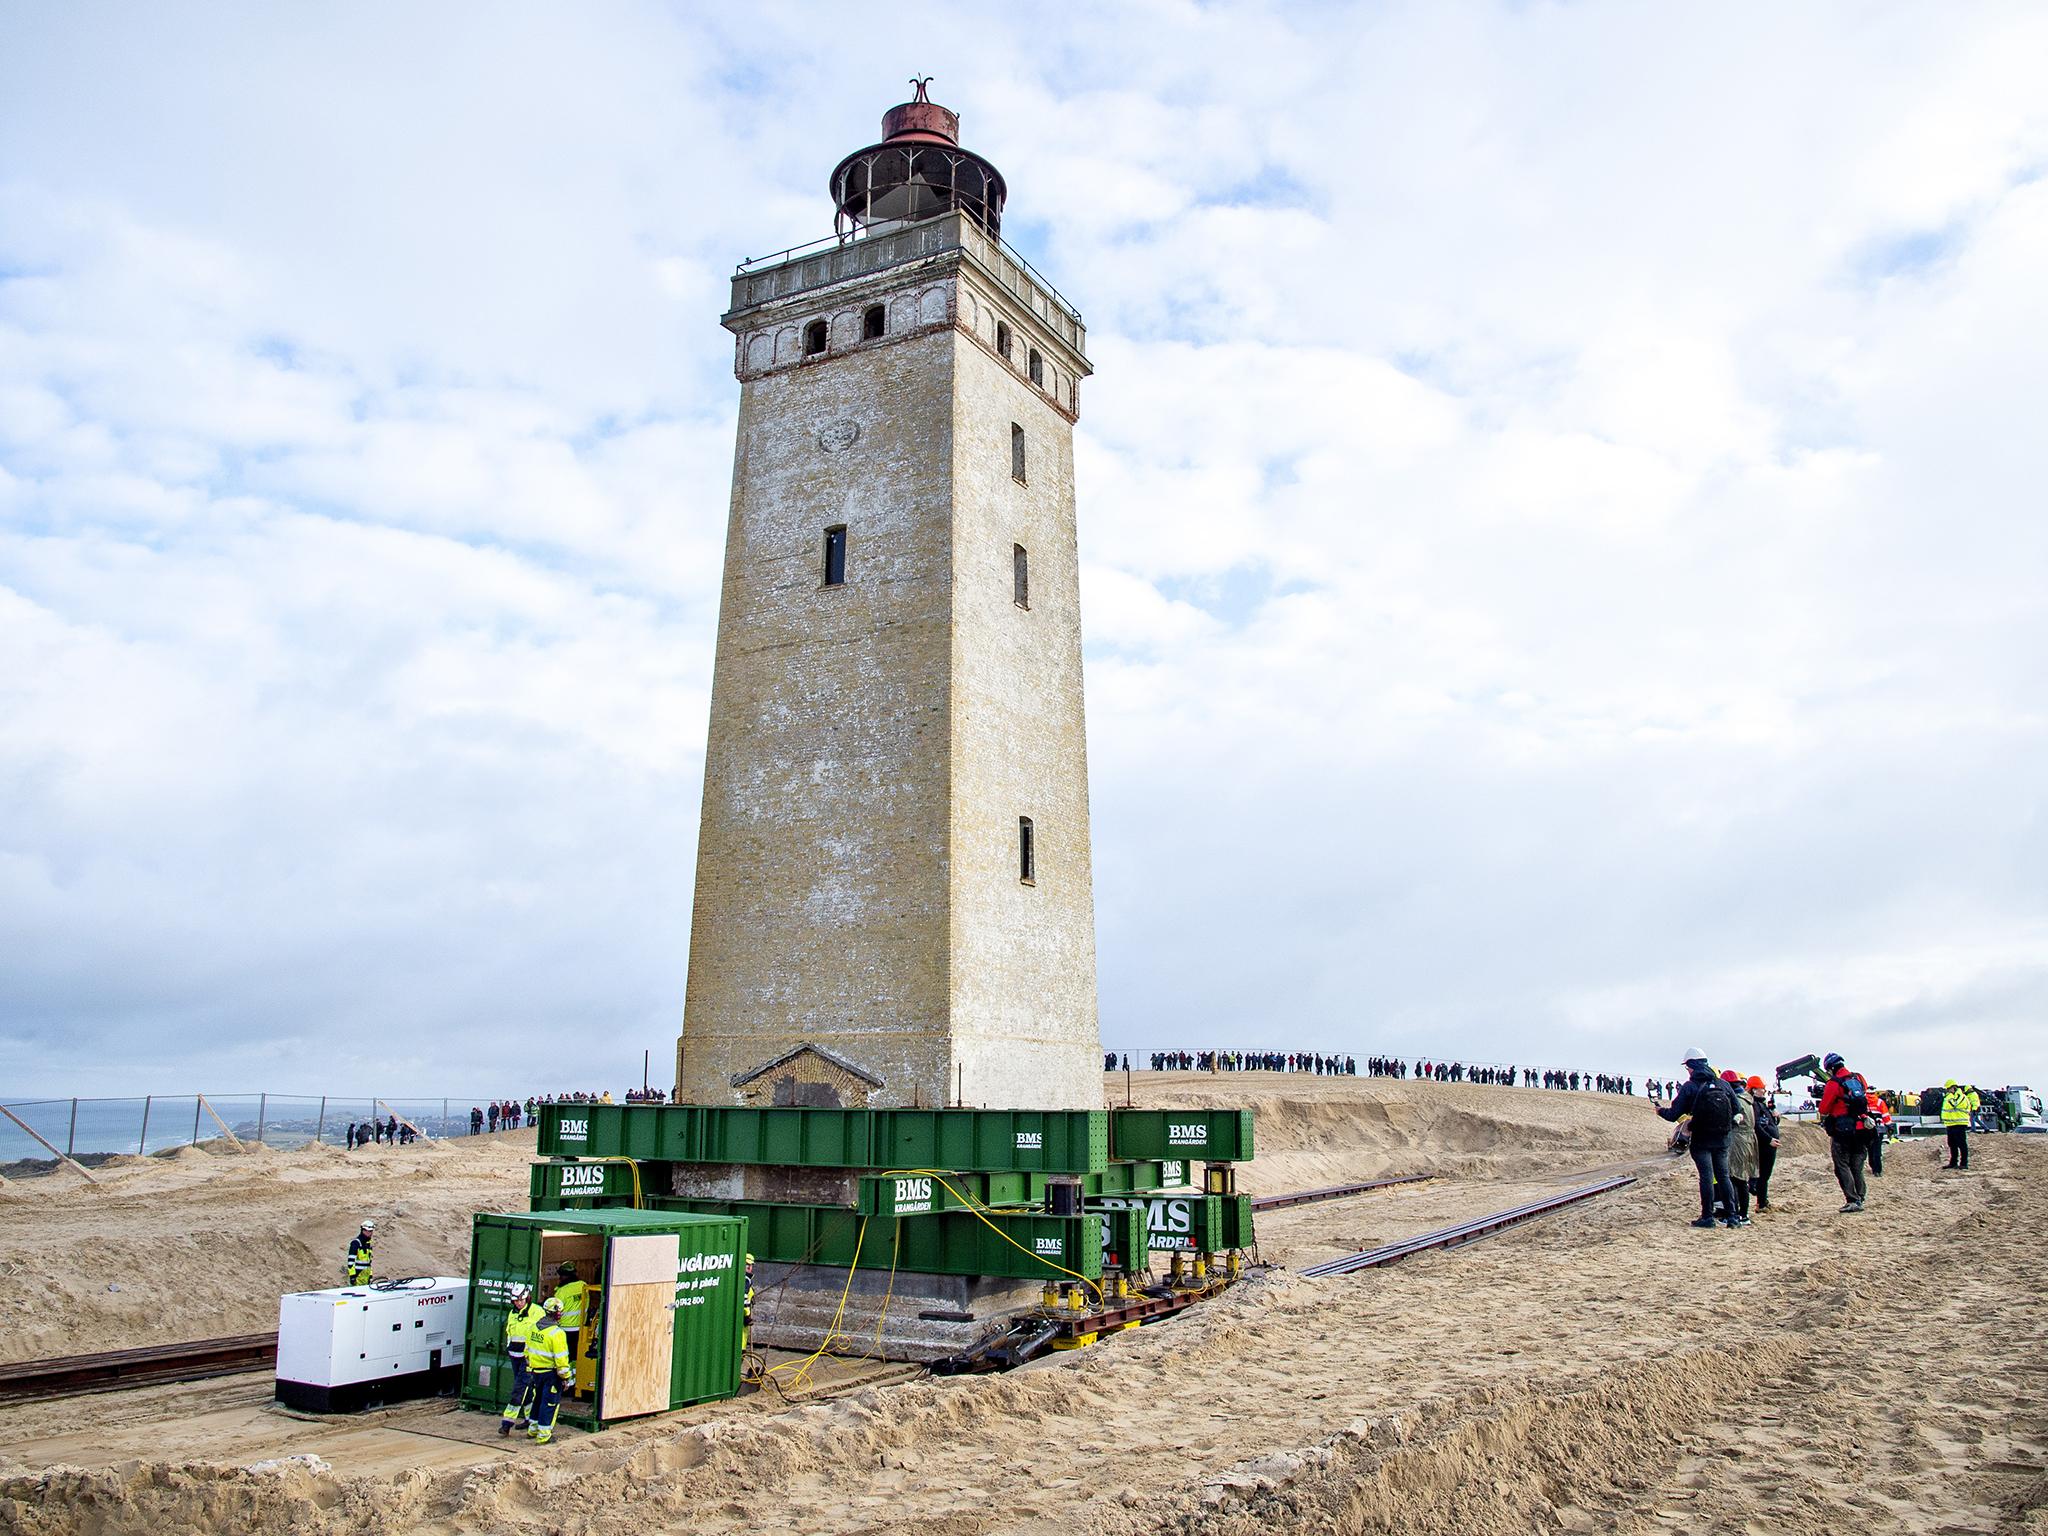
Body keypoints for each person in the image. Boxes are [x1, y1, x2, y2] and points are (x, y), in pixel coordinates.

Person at [1657, 1050, 1739, 1229]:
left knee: (1706, 1177)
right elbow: (1737, 1108)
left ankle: (1707, 1217)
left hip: (1701, 1139)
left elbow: (1673, 1115)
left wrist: (1660, 1111)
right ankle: (1733, 1217)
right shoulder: (1722, 1084)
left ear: (1691, 1066)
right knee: (1724, 1176)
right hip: (1723, 1138)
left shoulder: (1690, 1086)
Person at [1816, 1051, 1873, 1212]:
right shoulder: (1858, 1078)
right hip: (1861, 1129)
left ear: (1831, 1068)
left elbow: (1824, 1108)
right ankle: (1860, 1196)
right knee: (1857, 1165)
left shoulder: (1834, 1083)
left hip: (1842, 1130)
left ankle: (1852, 1199)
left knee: (1842, 1165)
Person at [523, 1297, 572, 1444]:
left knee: (537, 1400)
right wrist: (565, 1377)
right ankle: (544, 1435)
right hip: (551, 1374)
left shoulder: (532, 1328)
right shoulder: (557, 1333)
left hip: (535, 1372)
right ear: (557, 1314)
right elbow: (561, 1360)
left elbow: (527, 1352)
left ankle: (532, 1429)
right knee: (549, 1403)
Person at [498, 1285, 544, 1437]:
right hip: (514, 1355)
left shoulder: (537, 1312)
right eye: (515, 1301)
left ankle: (507, 1423)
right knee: (528, 1388)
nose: (518, 1303)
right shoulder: (513, 1313)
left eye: (520, 1300)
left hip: (528, 1358)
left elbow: (541, 1335)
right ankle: (530, 1419)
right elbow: (510, 1333)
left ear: (527, 1297)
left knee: (519, 1388)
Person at [1719, 1070, 1756, 1225]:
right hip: (1748, 1141)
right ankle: (1743, 1214)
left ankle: (1737, 1214)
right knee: (1742, 1179)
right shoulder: (1748, 1100)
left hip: (1737, 1140)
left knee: (1734, 1178)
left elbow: (1729, 1121)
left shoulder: (1737, 1101)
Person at [1746, 1076, 1781, 1212]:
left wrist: (1775, 1115)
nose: (1765, 1091)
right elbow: (1756, 1126)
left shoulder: (1762, 1104)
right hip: (1763, 1145)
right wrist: (1769, 1140)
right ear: (1754, 1090)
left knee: (1765, 1175)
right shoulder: (1754, 1105)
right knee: (1762, 1174)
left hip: (1769, 1143)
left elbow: (1769, 1123)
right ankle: (1761, 1202)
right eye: (1762, 1089)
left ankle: (1762, 1201)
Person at [551, 1261, 589, 1384]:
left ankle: (566, 1383)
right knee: (576, 1358)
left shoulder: (562, 1292)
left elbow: (554, 1311)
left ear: (563, 1276)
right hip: (581, 1329)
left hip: (565, 1330)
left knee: (564, 1358)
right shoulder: (583, 1285)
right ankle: (576, 1382)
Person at [1941, 1079, 1979, 1170]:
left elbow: (1954, 1104)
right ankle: (1953, 1162)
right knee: (1952, 1144)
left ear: (1953, 1088)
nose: (1947, 1091)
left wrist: (1949, 1096)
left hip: (1959, 1123)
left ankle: (1964, 1163)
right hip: (1951, 1123)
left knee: (1961, 1144)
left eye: (1948, 1089)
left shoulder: (1961, 1097)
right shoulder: (1949, 1096)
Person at [345, 1220, 375, 1284]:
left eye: (371, 1231)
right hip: (357, 1277)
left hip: (366, 1278)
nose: (371, 1233)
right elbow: (350, 1262)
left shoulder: (368, 1244)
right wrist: (352, 1276)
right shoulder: (356, 1243)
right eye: (369, 1231)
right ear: (363, 1230)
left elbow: (369, 1262)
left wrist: (370, 1275)